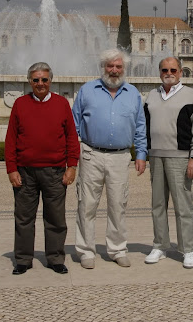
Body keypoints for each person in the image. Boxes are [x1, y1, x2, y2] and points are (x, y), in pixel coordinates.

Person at [72, 48, 147, 269]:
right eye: (110, 66)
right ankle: (86, 251)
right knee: (86, 204)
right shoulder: (87, 90)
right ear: (103, 67)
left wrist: (141, 154)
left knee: (118, 204)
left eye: (118, 66)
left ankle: (117, 249)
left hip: (120, 156)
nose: (114, 70)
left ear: (124, 69)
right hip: (90, 154)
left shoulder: (133, 93)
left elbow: (140, 127)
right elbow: (73, 123)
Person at [5, 62, 80, 275]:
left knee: (56, 218)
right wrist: (12, 169)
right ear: (30, 81)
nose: (40, 83)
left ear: (50, 81)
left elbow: (71, 138)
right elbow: (11, 139)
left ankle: (55, 258)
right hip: (25, 171)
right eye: (36, 80)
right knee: (23, 218)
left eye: (44, 79)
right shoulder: (20, 104)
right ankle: (23, 260)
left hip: (55, 171)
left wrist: (71, 166)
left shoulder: (61, 104)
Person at [144, 57, 193, 269]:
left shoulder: (191, 95)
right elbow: (144, 127)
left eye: (173, 69)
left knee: (183, 206)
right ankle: (160, 245)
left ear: (180, 72)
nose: (169, 72)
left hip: (180, 157)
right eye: (164, 69)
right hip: (156, 156)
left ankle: (188, 249)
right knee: (158, 204)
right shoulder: (152, 95)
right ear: (159, 72)